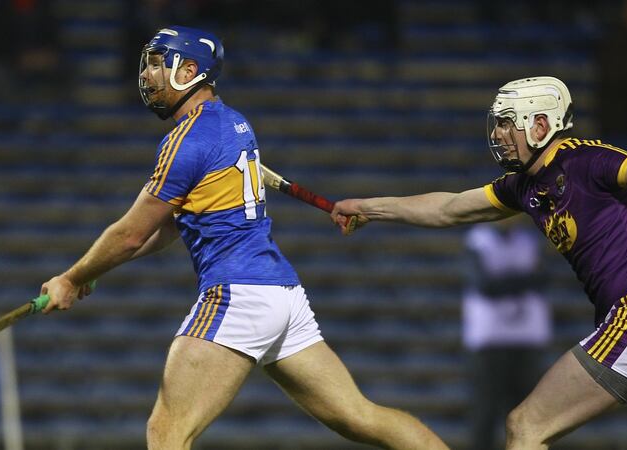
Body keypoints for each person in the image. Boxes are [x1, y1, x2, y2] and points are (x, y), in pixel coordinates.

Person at [39, 26, 448, 450]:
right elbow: (168, 229)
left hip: (237, 294)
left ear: (189, 70)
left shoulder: (186, 141)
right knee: (360, 416)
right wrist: (93, 269)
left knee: (167, 432)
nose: (146, 75)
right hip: (281, 295)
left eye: (159, 63)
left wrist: (70, 278)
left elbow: (129, 233)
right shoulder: (234, 122)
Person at [332, 76, 627, 449]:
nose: (501, 133)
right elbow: (447, 208)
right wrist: (367, 208)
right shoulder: (522, 185)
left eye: (508, 122)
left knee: (525, 427)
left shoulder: (585, 159)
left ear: (540, 125)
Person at [461, 219, 551, 450]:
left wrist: (505, 281)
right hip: (490, 339)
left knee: (528, 411)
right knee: (486, 411)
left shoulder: (529, 239)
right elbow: (484, 285)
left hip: (527, 338)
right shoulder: (478, 240)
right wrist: (525, 280)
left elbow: (543, 279)